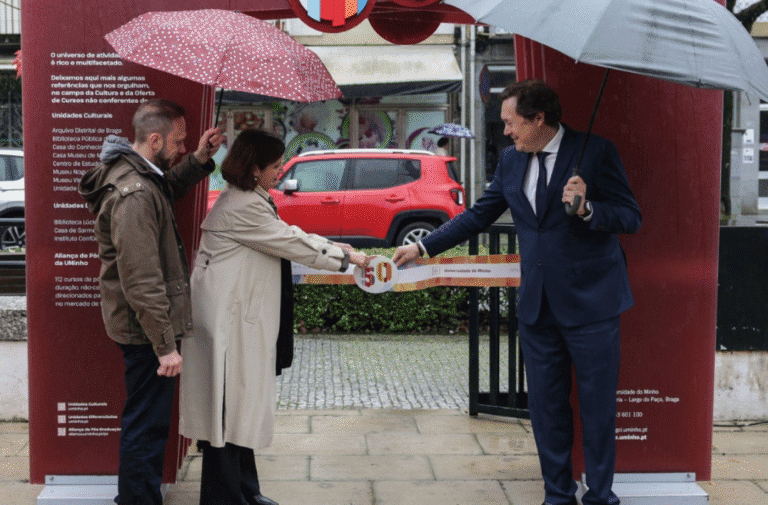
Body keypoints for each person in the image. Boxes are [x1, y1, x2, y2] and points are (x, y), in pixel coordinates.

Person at [394, 80, 641, 505]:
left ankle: (600, 496)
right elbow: (478, 216)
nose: (506, 131)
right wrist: (421, 247)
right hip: (537, 308)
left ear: (538, 118)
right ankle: (557, 494)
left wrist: (587, 209)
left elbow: (631, 218)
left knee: (597, 410)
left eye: (511, 122)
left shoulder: (595, 152)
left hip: (592, 305)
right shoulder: (510, 161)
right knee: (546, 409)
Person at [180, 128, 369, 505]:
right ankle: (225, 497)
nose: (281, 171)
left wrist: (334, 245)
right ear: (254, 168)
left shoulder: (248, 198)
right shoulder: (243, 204)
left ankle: (245, 491)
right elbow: (290, 242)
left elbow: (286, 232)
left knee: (239, 410)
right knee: (228, 415)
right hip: (229, 326)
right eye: (276, 165)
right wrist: (348, 258)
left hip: (236, 321)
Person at [78, 99, 223, 505]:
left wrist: (197, 158)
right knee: (146, 427)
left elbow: (167, 188)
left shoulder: (140, 176)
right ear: (154, 139)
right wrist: (165, 346)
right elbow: (140, 279)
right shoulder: (135, 193)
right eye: (177, 142)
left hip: (141, 326)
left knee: (147, 423)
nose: (180, 148)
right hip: (145, 332)